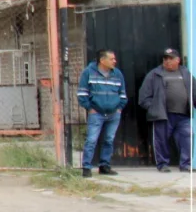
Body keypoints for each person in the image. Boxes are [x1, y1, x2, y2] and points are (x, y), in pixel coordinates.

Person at [139, 47, 193, 173]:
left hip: (183, 115)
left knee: (187, 138)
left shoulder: (185, 73)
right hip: (163, 115)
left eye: (171, 58)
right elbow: (143, 97)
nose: (168, 61)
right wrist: (154, 108)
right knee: (161, 140)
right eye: (165, 59)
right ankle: (163, 164)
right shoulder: (154, 74)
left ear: (178, 60)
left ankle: (185, 165)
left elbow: (193, 90)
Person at [77, 48, 128, 177]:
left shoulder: (118, 74)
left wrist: (119, 108)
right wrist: (90, 108)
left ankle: (104, 166)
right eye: (112, 59)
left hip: (113, 114)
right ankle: (86, 168)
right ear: (102, 60)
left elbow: (122, 94)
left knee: (109, 140)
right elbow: (82, 94)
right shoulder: (88, 73)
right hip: (96, 113)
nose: (115, 61)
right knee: (91, 140)